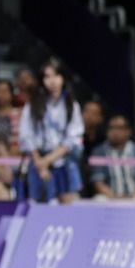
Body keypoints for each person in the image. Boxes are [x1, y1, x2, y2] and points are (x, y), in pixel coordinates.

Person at [18, 57, 83, 204]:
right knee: (38, 204)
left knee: (67, 204)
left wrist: (47, 161)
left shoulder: (71, 105)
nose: (52, 81)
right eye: (47, 77)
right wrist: (40, 164)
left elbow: (73, 138)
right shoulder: (33, 105)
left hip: (63, 160)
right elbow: (26, 136)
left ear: (63, 78)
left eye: (56, 76)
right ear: (42, 80)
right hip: (38, 160)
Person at [90, 113, 135, 201]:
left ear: (128, 131)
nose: (115, 132)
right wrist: (114, 198)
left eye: (119, 128)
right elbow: (98, 182)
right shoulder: (98, 152)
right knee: (98, 199)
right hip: (109, 197)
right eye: (111, 128)